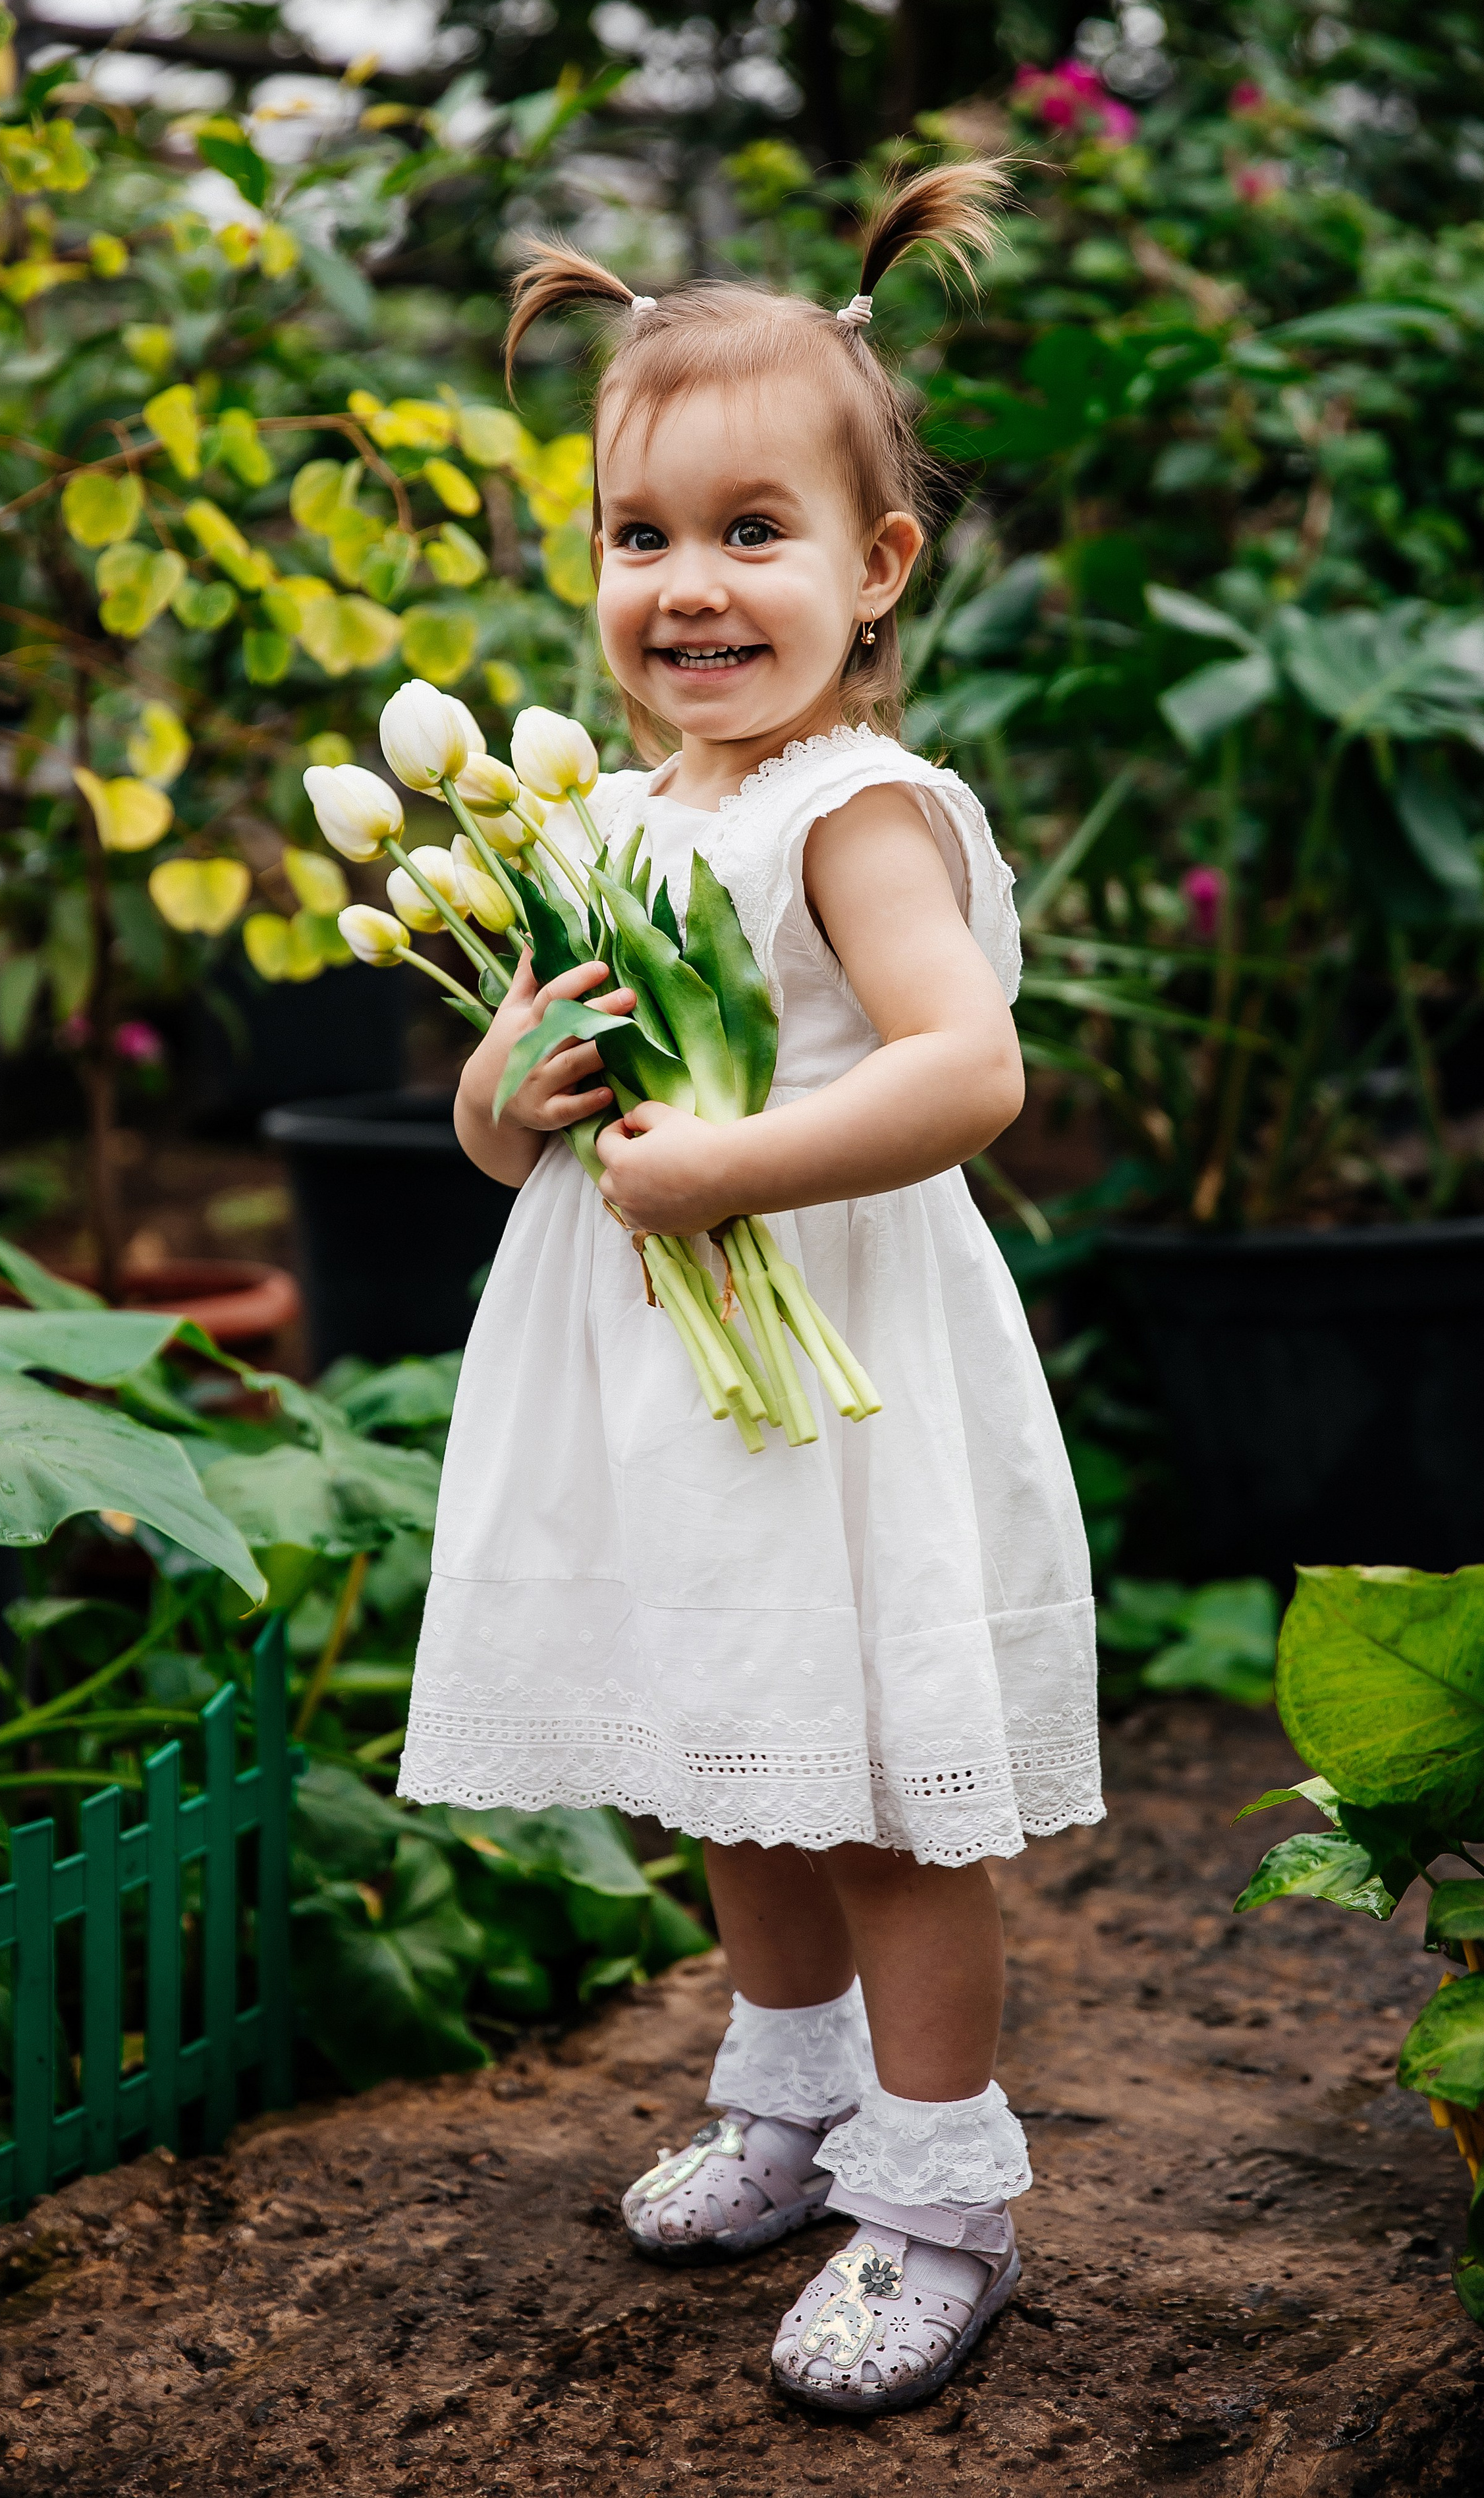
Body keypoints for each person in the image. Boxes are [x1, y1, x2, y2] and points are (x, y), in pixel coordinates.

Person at [395, 163, 1102, 2416]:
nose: (688, 586)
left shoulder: (856, 811)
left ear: (876, 566)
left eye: (751, 531)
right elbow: (541, 1128)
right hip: (673, 1397)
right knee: (741, 1753)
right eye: (640, 536)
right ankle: (790, 2102)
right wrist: (507, 1098)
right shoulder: (596, 812)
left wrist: (732, 1168)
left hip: (838, 1368)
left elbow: (967, 1068)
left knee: (884, 1786)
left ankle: (941, 2195)